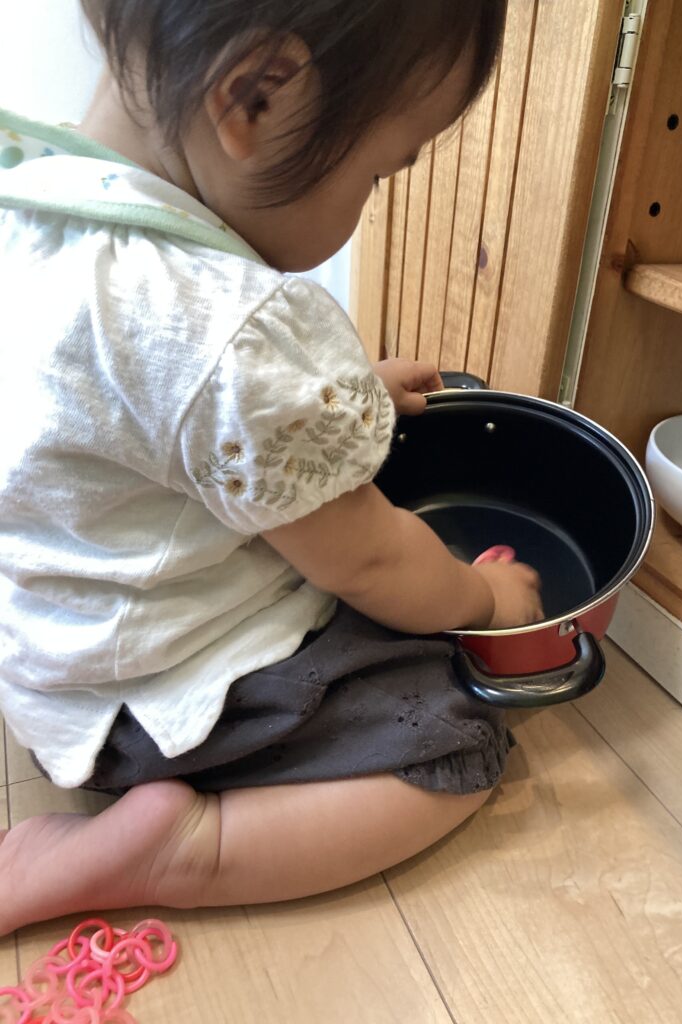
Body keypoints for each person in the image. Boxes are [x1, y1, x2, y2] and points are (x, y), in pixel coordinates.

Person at [0, 0, 543, 936]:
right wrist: (483, 598)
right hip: (166, 700)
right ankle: (187, 849)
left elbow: (147, 415)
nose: (371, 200)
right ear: (256, 97)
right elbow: (370, 559)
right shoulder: (231, 326)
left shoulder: (34, 195)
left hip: (53, 662)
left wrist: (334, 403)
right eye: (380, 171)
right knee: (456, 745)